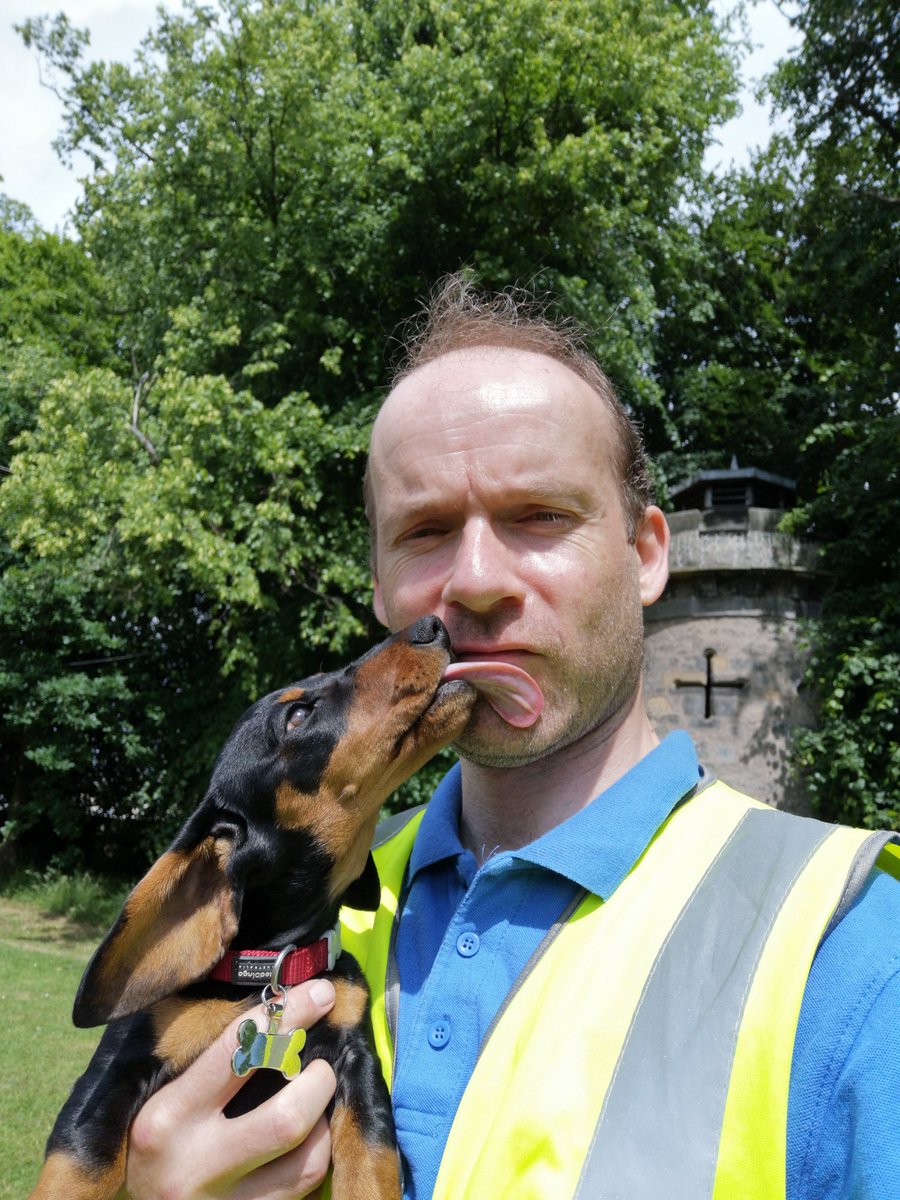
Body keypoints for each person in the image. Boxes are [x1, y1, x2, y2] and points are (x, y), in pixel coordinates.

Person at [124, 276, 900, 1199]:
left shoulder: (852, 950)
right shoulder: (311, 909)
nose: (478, 581)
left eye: (541, 517)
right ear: (380, 586)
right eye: (426, 529)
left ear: (648, 553)